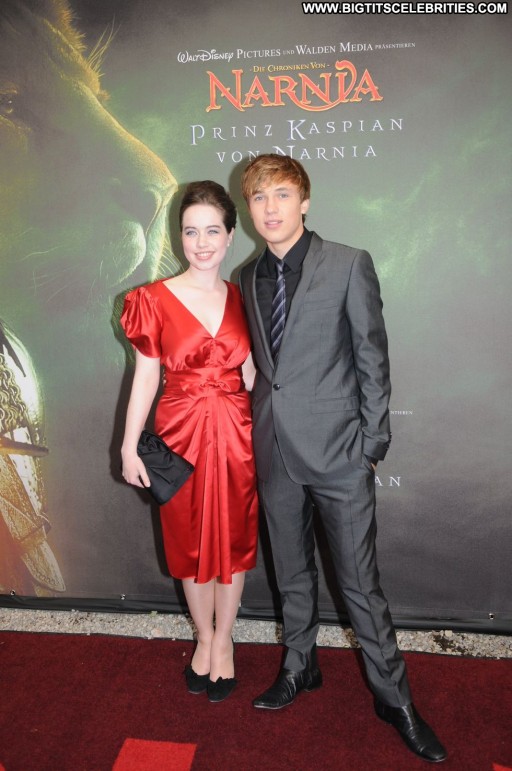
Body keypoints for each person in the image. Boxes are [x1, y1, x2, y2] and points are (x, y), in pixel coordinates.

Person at [239, 154, 446, 763]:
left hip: (340, 454)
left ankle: (395, 699)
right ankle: (300, 665)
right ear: (249, 208)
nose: (271, 207)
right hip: (275, 449)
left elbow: (372, 358)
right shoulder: (248, 276)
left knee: (359, 584)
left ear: (305, 202)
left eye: (282, 194)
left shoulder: (349, 263)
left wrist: (371, 446)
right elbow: (267, 372)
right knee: (291, 573)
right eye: (259, 197)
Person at [120, 181, 258, 703]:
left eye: (212, 231)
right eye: (191, 231)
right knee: (190, 543)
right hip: (180, 434)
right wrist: (128, 446)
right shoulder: (152, 300)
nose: (201, 243)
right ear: (180, 236)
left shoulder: (243, 298)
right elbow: (145, 378)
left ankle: (224, 641)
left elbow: (254, 372)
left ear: (230, 236)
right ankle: (203, 636)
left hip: (238, 433)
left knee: (234, 541)